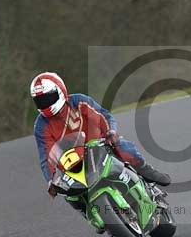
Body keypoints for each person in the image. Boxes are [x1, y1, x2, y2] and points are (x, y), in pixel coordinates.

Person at [31, 72, 171, 208]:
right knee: (67, 192)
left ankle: (146, 170)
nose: (45, 103)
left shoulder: (79, 101)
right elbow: (46, 155)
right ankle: (91, 212)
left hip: (99, 145)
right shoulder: (41, 125)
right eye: (40, 101)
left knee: (123, 147)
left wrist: (111, 132)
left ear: (60, 91)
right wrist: (51, 180)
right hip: (73, 161)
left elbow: (103, 116)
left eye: (48, 98)